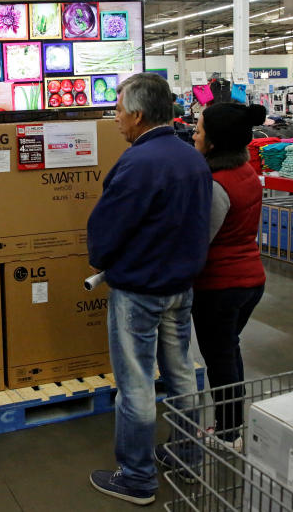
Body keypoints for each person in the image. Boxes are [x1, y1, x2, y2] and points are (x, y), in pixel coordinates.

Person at [87, 73, 213, 505]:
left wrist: (101, 259)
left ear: (138, 115)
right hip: (182, 287)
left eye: (118, 110)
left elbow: (106, 231)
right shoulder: (192, 157)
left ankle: (137, 478)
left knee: (136, 384)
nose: (116, 119)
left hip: (139, 290)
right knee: (181, 373)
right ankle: (187, 454)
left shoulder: (137, 164)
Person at [191, 102, 268, 453]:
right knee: (228, 353)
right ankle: (233, 427)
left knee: (220, 361)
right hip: (250, 279)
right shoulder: (246, 172)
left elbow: (198, 240)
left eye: (199, 130)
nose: (194, 134)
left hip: (220, 286)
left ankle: (227, 434)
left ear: (215, 141)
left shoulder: (216, 185)